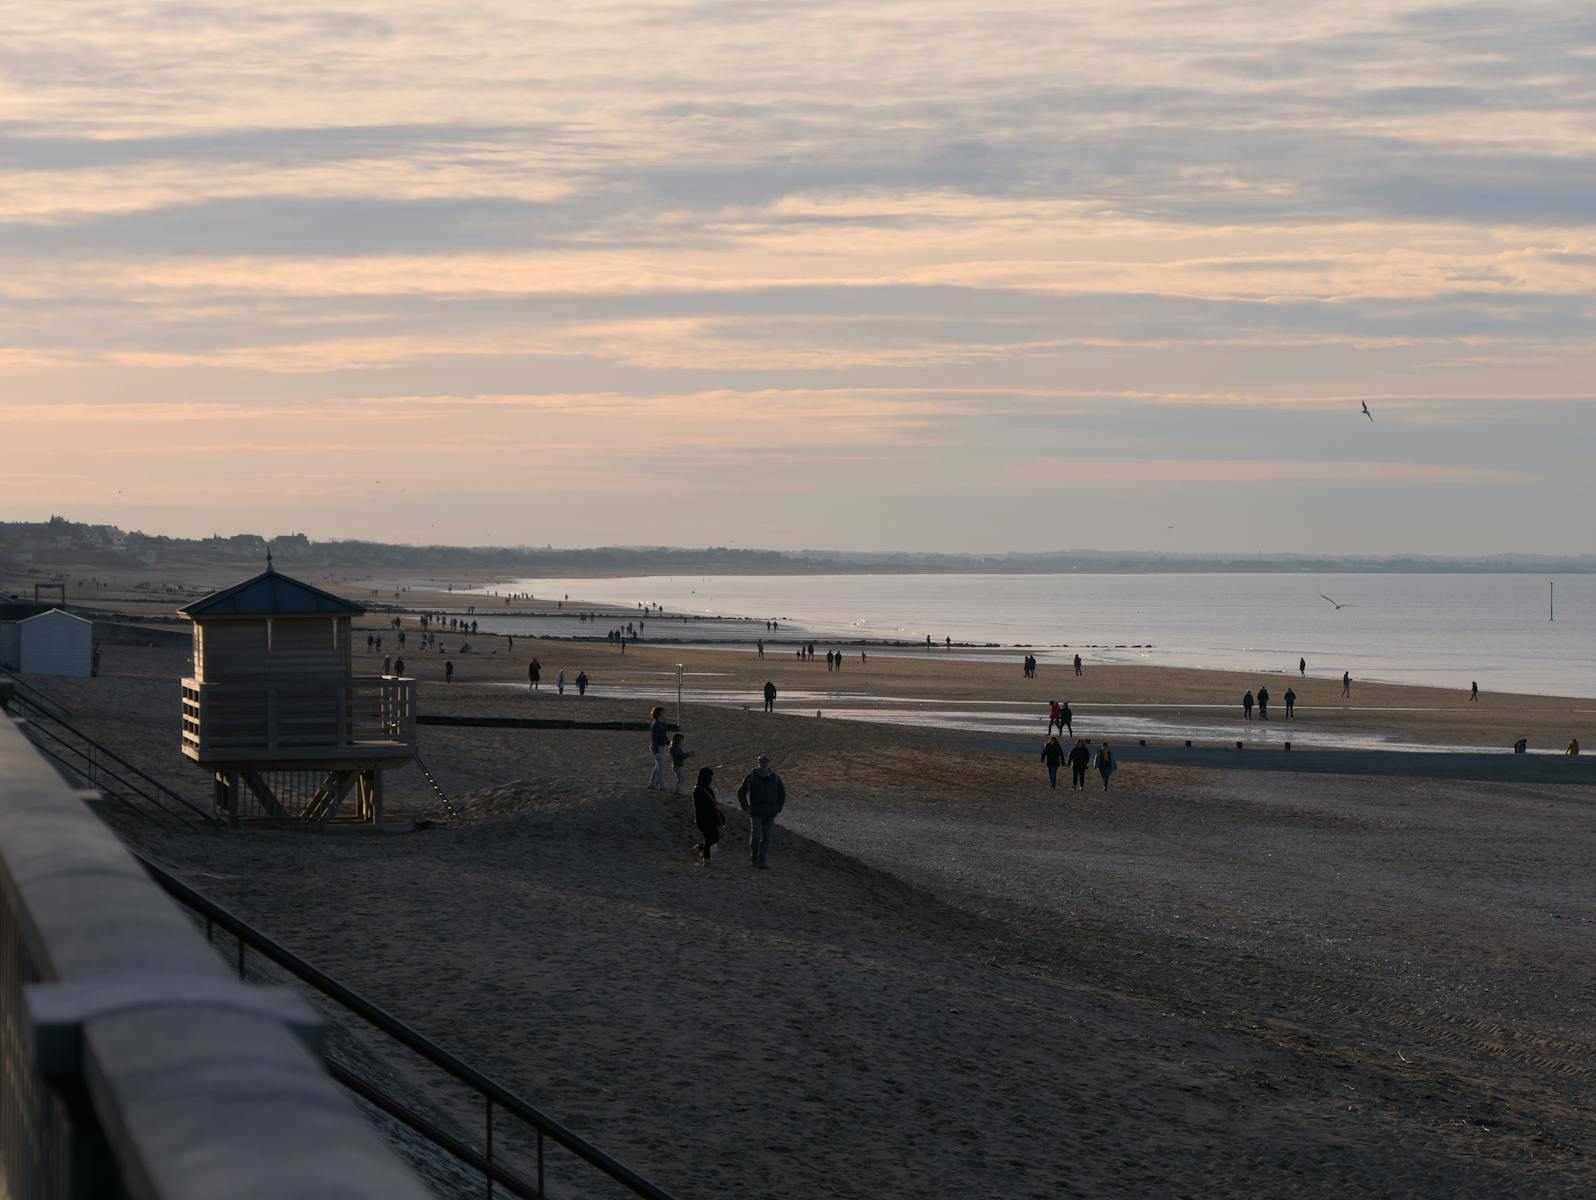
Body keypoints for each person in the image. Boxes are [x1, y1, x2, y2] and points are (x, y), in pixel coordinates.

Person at [737, 754, 786, 869]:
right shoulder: (751, 776)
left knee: (767, 838)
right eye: (762, 761)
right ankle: (754, 857)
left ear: (769, 762)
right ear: (758, 762)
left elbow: (782, 794)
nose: (764, 763)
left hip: (770, 813)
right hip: (756, 812)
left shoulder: (775, 777)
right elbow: (741, 792)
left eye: (766, 761)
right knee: (755, 837)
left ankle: (762, 861)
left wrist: (778, 808)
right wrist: (746, 807)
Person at [690, 766, 725, 866]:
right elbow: (700, 806)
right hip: (703, 819)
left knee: (714, 838)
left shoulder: (706, 788)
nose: (710, 778)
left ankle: (697, 850)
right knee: (710, 838)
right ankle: (706, 859)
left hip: (710, 818)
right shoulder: (698, 789)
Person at [647, 706, 669, 789]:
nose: (665, 714)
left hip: (662, 747)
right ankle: (661, 785)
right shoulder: (655, 724)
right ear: (659, 714)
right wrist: (655, 750)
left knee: (658, 766)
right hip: (656, 747)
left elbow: (664, 736)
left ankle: (652, 783)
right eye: (663, 712)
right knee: (661, 767)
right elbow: (654, 738)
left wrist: (670, 743)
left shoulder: (663, 723)